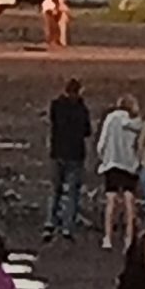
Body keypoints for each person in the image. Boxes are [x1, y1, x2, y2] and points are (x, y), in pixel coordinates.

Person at [46, 77, 91, 241]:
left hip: (57, 151)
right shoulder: (81, 109)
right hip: (75, 153)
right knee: (72, 192)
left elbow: (53, 122)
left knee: (55, 189)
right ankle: (67, 226)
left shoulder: (56, 106)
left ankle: (50, 222)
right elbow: (87, 131)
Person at [97, 92, 143, 251]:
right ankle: (129, 238)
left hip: (112, 163)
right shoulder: (136, 122)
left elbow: (102, 142)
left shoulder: (110, 119)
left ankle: (108, 238)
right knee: (130, 200)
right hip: (130, 164)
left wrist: (103, 157)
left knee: (111, 200)